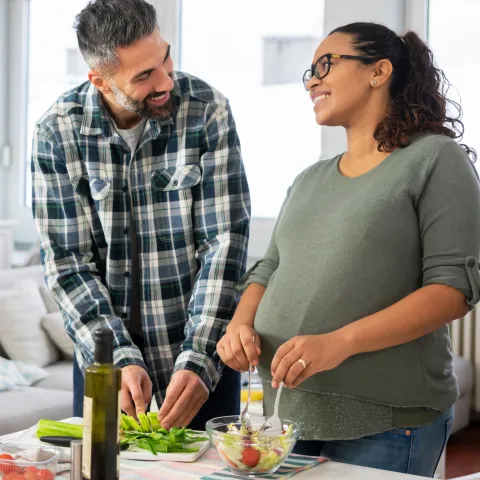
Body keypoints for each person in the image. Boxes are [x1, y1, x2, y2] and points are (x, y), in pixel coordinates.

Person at [217, 22, 480, 477]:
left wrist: (340, 343)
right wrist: (239, 326)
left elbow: (453, 289)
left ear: (379, 71)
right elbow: (270, 267)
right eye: (309, 71)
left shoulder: (435, 159)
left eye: (325, 64)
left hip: (385, 422)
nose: (312, 81)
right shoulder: (309, 179)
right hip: (286, 418)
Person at [31, 0, 250, 431]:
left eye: (165, 57)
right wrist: (117, 359)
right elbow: (69, 265)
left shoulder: (207, 109)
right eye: (145, 75)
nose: (166, 80)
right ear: (100, 80)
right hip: (106, 365)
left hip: (203, 365)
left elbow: (224, 245)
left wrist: (199, 359)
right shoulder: (57, 132)